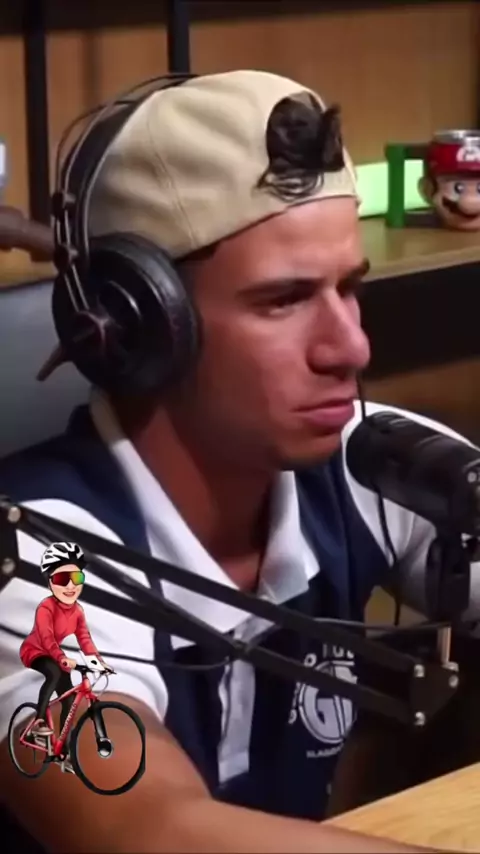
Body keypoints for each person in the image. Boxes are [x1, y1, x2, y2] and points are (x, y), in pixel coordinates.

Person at [0, 69, 476, 853]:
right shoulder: (33, 562)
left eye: (349, 289)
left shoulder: (369, 459)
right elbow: (144, 831)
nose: (351, 347)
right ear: (141, 326)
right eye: (284, 300)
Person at [19, 542, 109, 762]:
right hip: (35, 651)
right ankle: (38, 723)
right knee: (54, 673)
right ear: (50, 582)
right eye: (62, 579)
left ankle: (63, 750)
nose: (70, 585)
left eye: (77, 578)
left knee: (68, 700)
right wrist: (61, 658)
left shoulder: (77, 611)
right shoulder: (46, 607)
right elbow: (46, 638)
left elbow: (85, 639)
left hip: (56, 655)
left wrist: (98, 662)